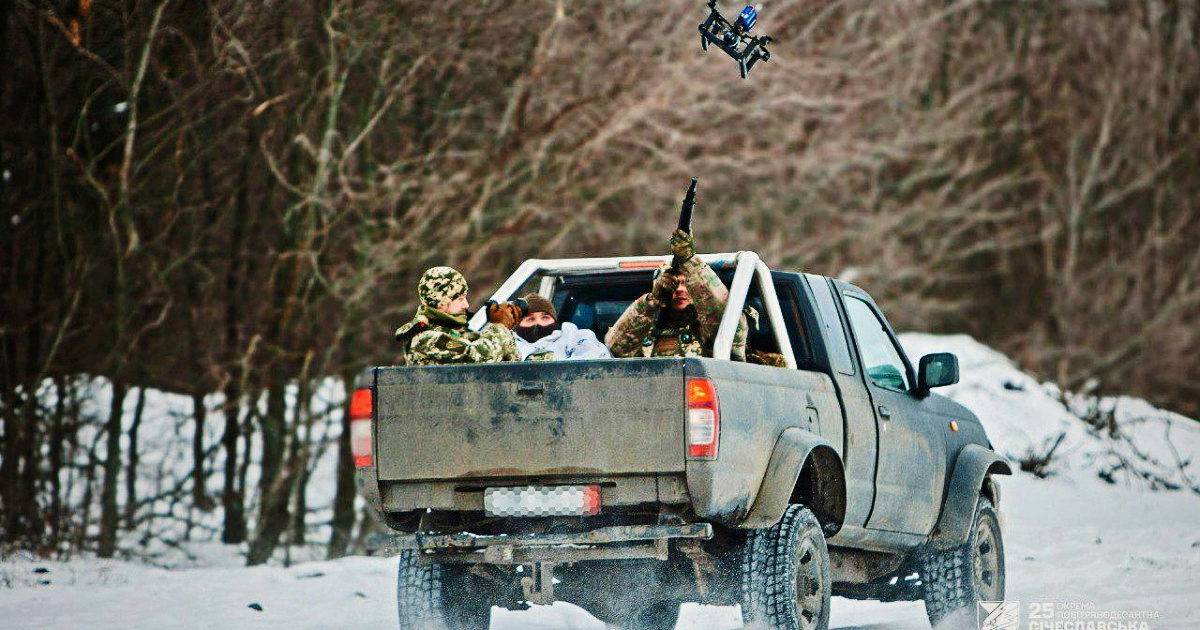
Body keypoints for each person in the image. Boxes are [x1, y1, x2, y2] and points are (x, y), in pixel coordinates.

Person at [606, 229, 749, 360]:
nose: (680, 289)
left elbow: (731, 328)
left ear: (697, 288)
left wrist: (689, 261)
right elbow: (615, 350)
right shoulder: (644, 335)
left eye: (687, 283)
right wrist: (651, 301)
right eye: (674, 284)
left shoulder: (712, 333)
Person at [394, 266, 521, 365]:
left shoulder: (454, 333)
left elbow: (513, 364)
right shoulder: (425, 340)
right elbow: (480, 358)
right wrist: (499, 326)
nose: (466, 305)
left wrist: (505, 331)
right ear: (441, 301)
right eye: (460, 299)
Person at [511, 293, 611, 361]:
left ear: (554, 321)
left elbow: (595, 360)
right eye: (530, 319)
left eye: (545, 318)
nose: (539, 323)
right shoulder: (508, 343)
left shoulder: (574, 337)